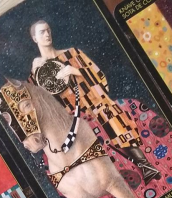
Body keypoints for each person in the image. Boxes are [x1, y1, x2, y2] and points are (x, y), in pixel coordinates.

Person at [29, 20, 160, 183]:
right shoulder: (36, 72)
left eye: (48, 30)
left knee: (111, 117)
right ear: (35, 38)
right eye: (42, 32)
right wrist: (36, 73)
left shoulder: (72, 54)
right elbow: (42, 105)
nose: (47, 34)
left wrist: (74, 70)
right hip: (71, 116)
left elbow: (98, 75)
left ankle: (145, 166)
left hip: (96, 103)